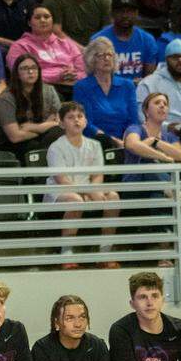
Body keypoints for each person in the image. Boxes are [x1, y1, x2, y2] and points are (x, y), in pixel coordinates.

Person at [45, 101, 120, 267]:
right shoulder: (56, 147)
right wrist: (87, 192)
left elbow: (97, 175)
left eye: (80, 116)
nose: (76, 120)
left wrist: (93, 191)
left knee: (113, 196)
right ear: (62, 123)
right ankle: (67, 253)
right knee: (75, 200)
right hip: (60, 193)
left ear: (86, 121)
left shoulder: (94, 145)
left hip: (88, 190)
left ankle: (105, 251)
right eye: (71, 117)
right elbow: (62, 180)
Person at [0, 55, 61, 156]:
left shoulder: (49, 91)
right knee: (46, 147)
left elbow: (59, 122)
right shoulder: (6, 98)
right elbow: (15, 137)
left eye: (34, 68)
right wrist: (44, 128)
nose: (30, 72)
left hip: (40, 138)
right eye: (25, 68)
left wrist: (34, 127)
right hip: (12, 145)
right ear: (17, 73)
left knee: (60, 134)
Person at [7, 6, 85, 89]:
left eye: (47, 17)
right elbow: (21, 73)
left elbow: (84, 69)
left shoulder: (66, 43)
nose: (43, 20)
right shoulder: (20, 46)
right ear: (29, 22)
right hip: (41, 89)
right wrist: (58, 76)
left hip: (76, 85)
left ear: (52, 21)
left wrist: (74, 75)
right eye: (37, 17)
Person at [137, 41, 181, 134]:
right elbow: (142, 117)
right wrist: (168, 127)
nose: (180, 60)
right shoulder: (148, 83)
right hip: (163, 136)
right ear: (166, 59)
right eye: (175, 57)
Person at [90, 0, 157, 80]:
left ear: (136, 13)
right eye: (120, 11)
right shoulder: (98, 40)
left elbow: (150, 78)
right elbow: (94, 77)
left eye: (129, 11)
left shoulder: (147, 40)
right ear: (112, 14)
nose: (125, 15)